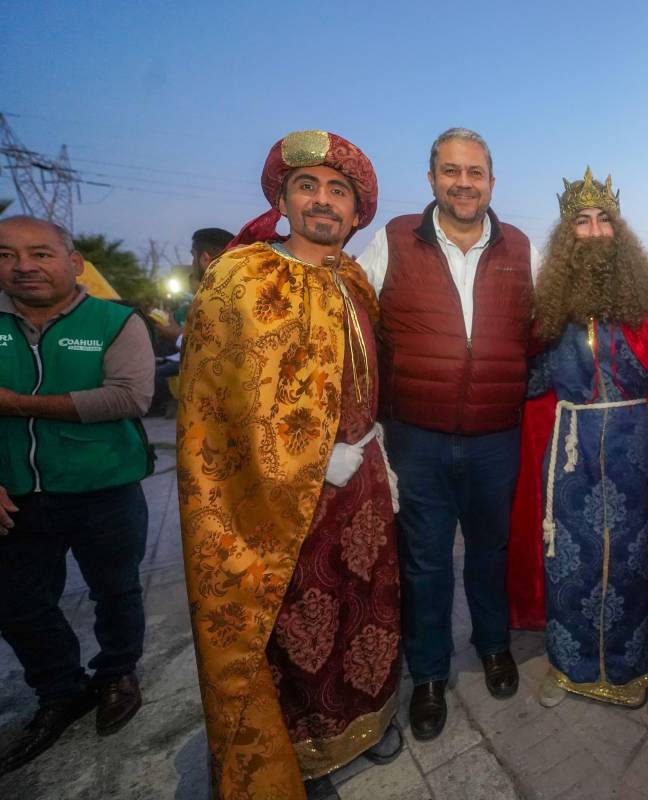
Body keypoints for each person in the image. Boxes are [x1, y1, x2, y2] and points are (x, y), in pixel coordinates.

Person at [178, 131, 401, 800]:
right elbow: (217, 400)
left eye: (339, 191)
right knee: (300, 617)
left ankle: (370, 719)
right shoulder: (241, 276)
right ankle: (303, 745)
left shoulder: (357, 280)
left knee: (370, 609)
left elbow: (370, 375)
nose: (324, 201)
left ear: (357, 212)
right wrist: (309, 458)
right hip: (282, 496)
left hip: (361, 480)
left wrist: (372, 445)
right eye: (308, 187)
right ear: (283, 198)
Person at [356, 128, 534, 742]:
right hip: (418, 437)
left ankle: (492, 647)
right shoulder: (392, 240)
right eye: (451, 171)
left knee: (490, 554)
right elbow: (350, 319)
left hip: (494, 438)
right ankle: (429, 674)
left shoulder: (521, 248)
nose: (464, 183)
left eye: (476, 172)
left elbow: (536, 335)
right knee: (426, 562)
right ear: (431, 178)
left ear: (491, 180)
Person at [506, 169, 648, 709]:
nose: (592, 231)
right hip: (568, 446)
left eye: (602, 221)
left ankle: (628, 671)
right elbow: (531, 379)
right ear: (568, 238)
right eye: (581, 223)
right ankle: (570, 668)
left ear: (619, 232)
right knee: (570, 557)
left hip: (632, 446)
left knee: (630, 559)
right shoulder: (550, 315)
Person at [0, 215, 155, 774]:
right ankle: (59, 689)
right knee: (18, 604)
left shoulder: (114, 321)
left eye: (40, 253)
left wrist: (16, 403)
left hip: (102, 485)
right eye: (8, 255)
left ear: (73, 263)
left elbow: (127, 398)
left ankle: (117, 673)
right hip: (14, 491)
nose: (23, 266)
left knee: (115, 590)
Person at [149, 227, 233, 415]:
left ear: (205, 259)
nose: (192, 263)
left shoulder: (220, 299)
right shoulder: (244, 293)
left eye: (193, 257)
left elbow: (223, 353)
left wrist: (177, 335)